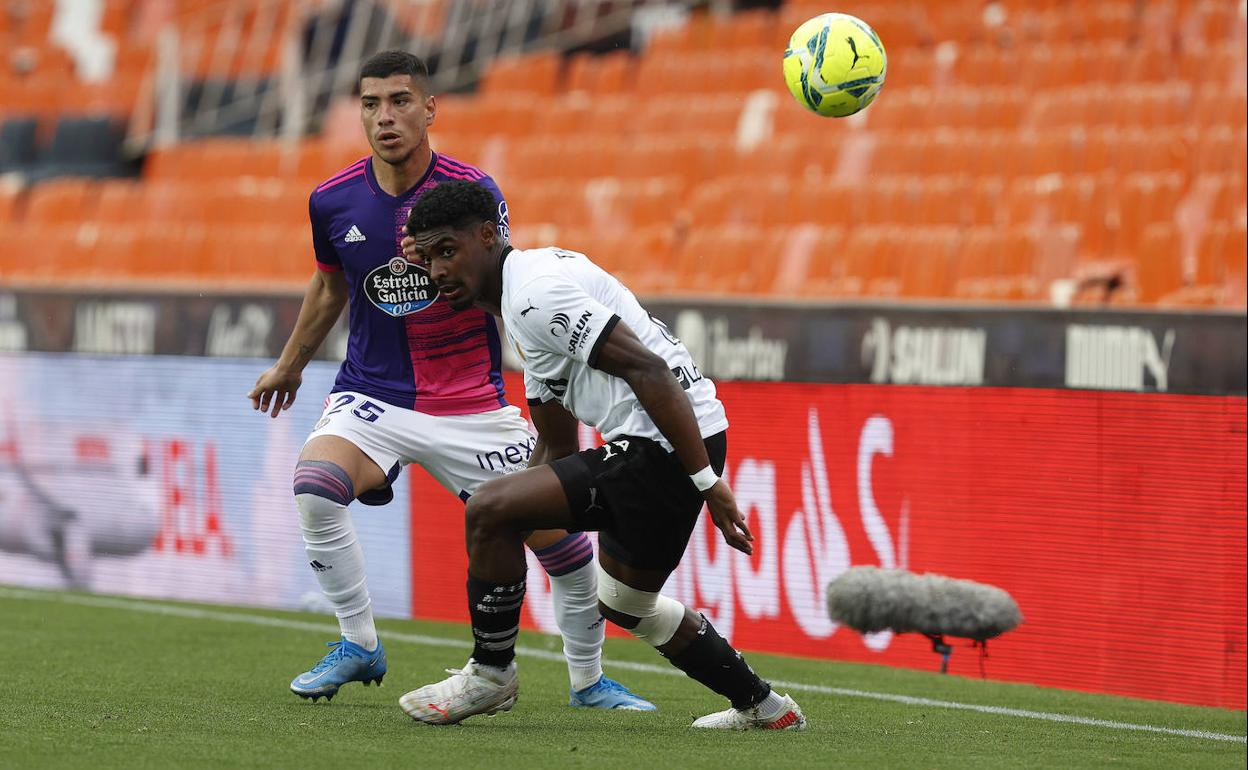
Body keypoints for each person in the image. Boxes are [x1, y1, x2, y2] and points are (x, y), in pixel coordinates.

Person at [247, 49, 652, 711]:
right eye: (372, 103)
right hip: (372, 393)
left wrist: (441, 268)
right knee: (315, 488)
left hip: (470, 404)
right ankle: (359, 643)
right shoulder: (331, 199)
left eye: (401, 100)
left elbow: (502, 288)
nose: (386, 117)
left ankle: (587, 682)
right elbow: (329, 286)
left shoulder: (472, 194)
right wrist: (289, 365)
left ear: (430, 108)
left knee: (569, 552)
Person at [398, 179, 807, 730]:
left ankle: (491, 673)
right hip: (674, 436)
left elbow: (649, 370)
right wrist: (510, 516)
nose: (438, 271)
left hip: (663, 443)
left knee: (491, 508)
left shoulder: (534, 295)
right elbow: (559, 443)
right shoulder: (521, 300)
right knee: (622, 602)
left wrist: (708, 484)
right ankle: (767, 709)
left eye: (447, 252)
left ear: (487, 236)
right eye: (427, 259)